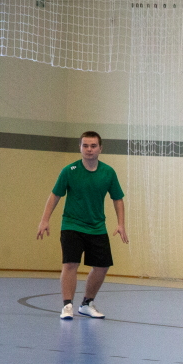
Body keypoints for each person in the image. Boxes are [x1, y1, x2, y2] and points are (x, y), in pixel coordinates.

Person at [36, 131, 128, 320]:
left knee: (102, 266)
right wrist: (45, 220)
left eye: (93, 146)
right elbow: (55, 195)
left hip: (97, 227)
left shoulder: (108, 172)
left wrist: (121, 224)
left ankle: (87, 303)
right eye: (85, 145)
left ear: (100, 148)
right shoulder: (69, 171)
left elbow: (117, 198)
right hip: (72, 225)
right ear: (80, 147)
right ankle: (67, 305)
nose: (89, 149)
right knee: (70, 263)